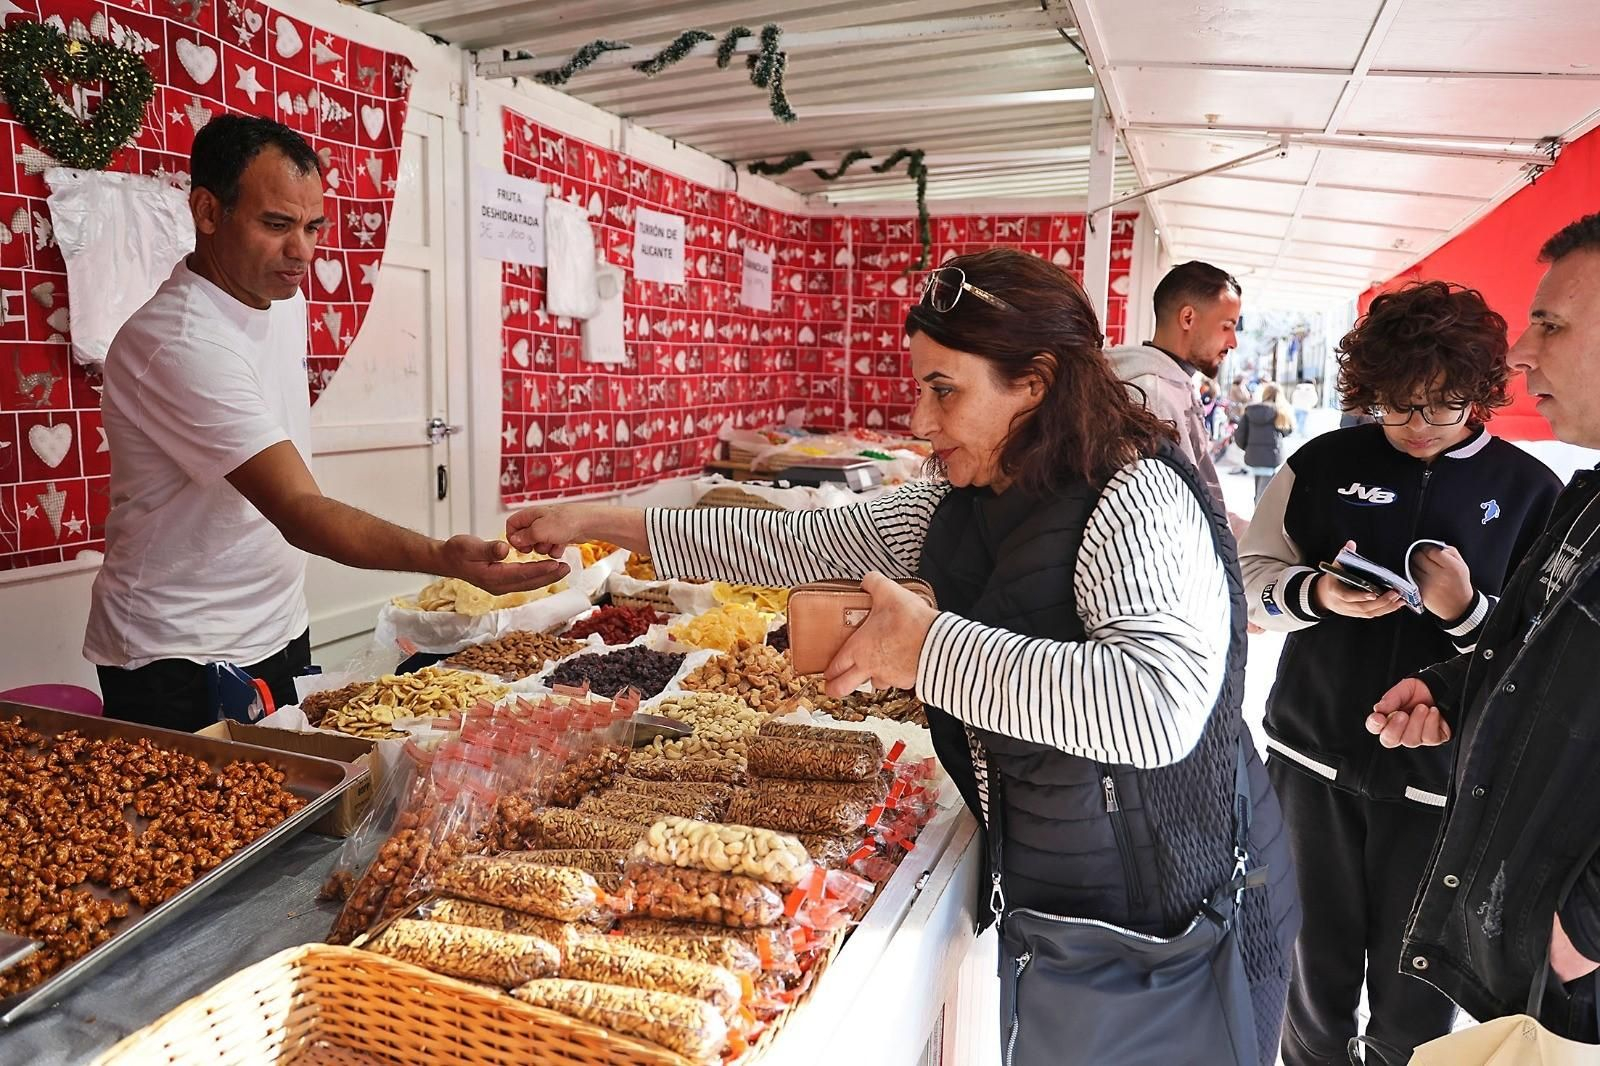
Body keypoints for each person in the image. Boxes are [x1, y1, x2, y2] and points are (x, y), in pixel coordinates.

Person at [508, 249, 1298, 1064]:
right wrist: (605, 520)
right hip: (1071, 904)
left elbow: (1155, 708)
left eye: (944, 389)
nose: (920, 422)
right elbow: (794, 540)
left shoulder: (1133, 496)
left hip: (1178, 920)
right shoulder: (966, 498)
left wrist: (926, 651)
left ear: (1035, 381)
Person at [84, 115, 566, 732]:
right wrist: (441, 556)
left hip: (277, 624)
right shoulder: (179, 341)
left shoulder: (280, 300)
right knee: (225, 825)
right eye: (277, 225)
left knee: (297, 810)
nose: (303, 252)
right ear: (207, 211)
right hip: (181, 652)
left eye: (313, 227)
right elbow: (297, 508)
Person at [1243, 281, 1562, 1064]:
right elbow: (1248, 574)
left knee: (1414, 996)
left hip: (1444, 784)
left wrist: (1466, 614)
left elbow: (1549, 651)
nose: (1417, 426)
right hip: (1310, 758)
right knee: (1307, 981)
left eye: (1441, 405)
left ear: (1480, 393)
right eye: (1396, 405)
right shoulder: (1321, 463)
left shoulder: (1531, 493)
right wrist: (1314, 593)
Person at [1367, 214, 1600, 1043]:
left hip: (1572, 969)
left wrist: (1584, 931)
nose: (1524, 351)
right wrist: (1444, 686)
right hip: (1520, 948)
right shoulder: (1588, 500)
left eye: (1553, 322)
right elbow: (1539, 654)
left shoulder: (1534, 482)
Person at [1106, 260, 1241, 512]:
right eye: (1226, 327)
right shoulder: (1150, 395)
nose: (1233, 342)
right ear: (1188, 318)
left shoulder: (1171, 385)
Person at [1233, 382, 1295, 501]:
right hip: (1272, 457)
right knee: (1264, 494)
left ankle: (1258, 513)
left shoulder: (1250, 411)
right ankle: (1260, 516)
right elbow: (1289, 430)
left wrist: (1248, 448)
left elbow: (1239, 434)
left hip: (1253, 456)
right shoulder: (1280, 412)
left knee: (1259, 490)